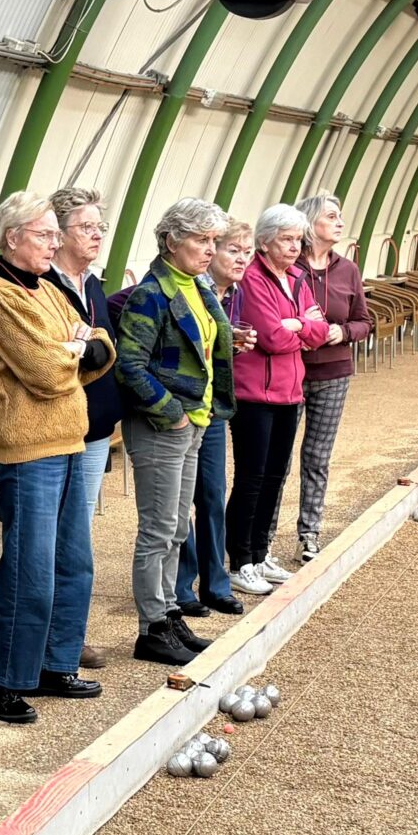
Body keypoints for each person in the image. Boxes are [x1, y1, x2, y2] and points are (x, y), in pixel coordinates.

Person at [0, 190, 113, 724]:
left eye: (57, 233)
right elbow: (47, 372)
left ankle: (56, 663)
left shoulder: (48, 289)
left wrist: (78, 346)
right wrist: (72, 350)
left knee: (75, 563)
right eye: (46, 234)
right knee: (30, 568)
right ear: (12, 238)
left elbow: (100, 345)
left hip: (71, 441)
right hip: (28, 451)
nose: (56, 242)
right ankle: (2, 680)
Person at [114, 197, 232, 667]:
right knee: (159, 529)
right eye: (201, 240)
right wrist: (172, 412)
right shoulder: (152, 294)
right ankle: (152, 629)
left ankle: (168, 612)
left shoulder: (196, 287)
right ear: (170, 241)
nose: (210, 249)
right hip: (165, 424)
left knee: (177, 527)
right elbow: (130, 364)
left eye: (213, 240)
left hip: (196, 422)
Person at [227, 203, 327, 590]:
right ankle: (239, 561)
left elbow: (319, 331)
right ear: (264, 242)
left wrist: (298, 324)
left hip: (290, 393)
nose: (294, 247)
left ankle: (260, 552)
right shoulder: (253, 279)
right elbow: (270, 337)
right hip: (255, 394)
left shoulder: (298, 278)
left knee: (274, 478)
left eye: (298, 239)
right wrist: (302, 327)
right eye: (286, 239)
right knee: (251, 478)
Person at [49, 184, 117, 671]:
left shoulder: (91, 283)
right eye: (87, 227)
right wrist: (90, 347)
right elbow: (63, 356)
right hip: (59, 428)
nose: (96, 236)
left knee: (78, 532)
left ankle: (69, 631)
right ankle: (53, 637)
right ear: (58, 232)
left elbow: (102, 345)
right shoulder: (45, 285)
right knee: (55, 536)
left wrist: (92, 346)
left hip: (95, 427)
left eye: (100, 227)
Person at [292, 192, 372, 563]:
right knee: (276, 459)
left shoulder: (348, 269)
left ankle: (309, 534)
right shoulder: (289, 266)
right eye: (331, 216)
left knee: (317, 456)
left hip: (333, 372)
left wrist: (344, 332)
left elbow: (364, 320)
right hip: (290, 371)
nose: (340, 222)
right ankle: (258, 544)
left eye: (341, 216)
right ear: (310, 224)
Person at [180, 217, 256, 605]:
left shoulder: (233, 294)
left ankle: (215, 583)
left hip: (212, 409)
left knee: (211, 494)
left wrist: (233, 343)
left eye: (247, 251)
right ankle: (182, 585)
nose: (240, 258)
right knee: (179, 501)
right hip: (183, 408)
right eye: (232, 249)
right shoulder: (189, 288)